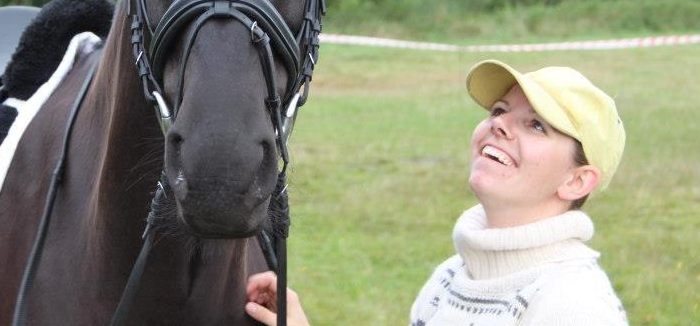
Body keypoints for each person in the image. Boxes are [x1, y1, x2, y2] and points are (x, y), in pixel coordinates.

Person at [245, 59, 628, 325]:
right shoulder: (449, 277)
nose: (499, 125)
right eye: (499, 110)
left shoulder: (574, 305)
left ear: (576, 181)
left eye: (537, 125)